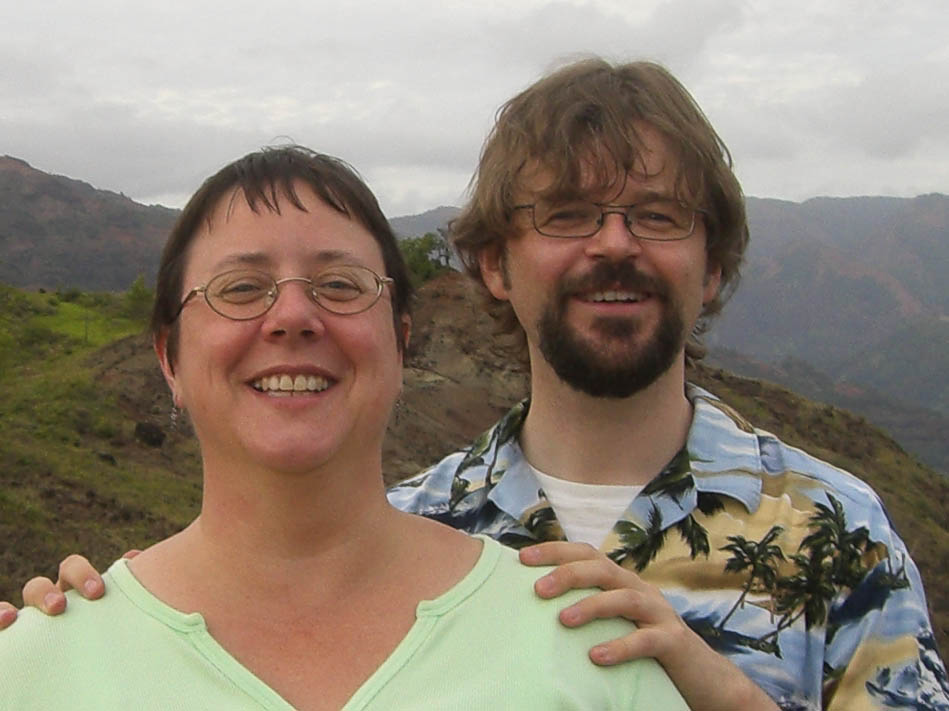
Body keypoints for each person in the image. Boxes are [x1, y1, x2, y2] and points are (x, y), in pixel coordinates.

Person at [5, 58, 948, 710]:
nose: (614, 244)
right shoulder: (418, 524)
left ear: (714, 265)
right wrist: (85, 642)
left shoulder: (836, 531)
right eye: (568, 214)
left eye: (657, 215)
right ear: (493, 263)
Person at [0, 146, 689, 709]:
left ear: (401, 342)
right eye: (241, 288)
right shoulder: (37, 666)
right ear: (169, 358)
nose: (293, 317)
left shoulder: (585, 645)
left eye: (340, 285)